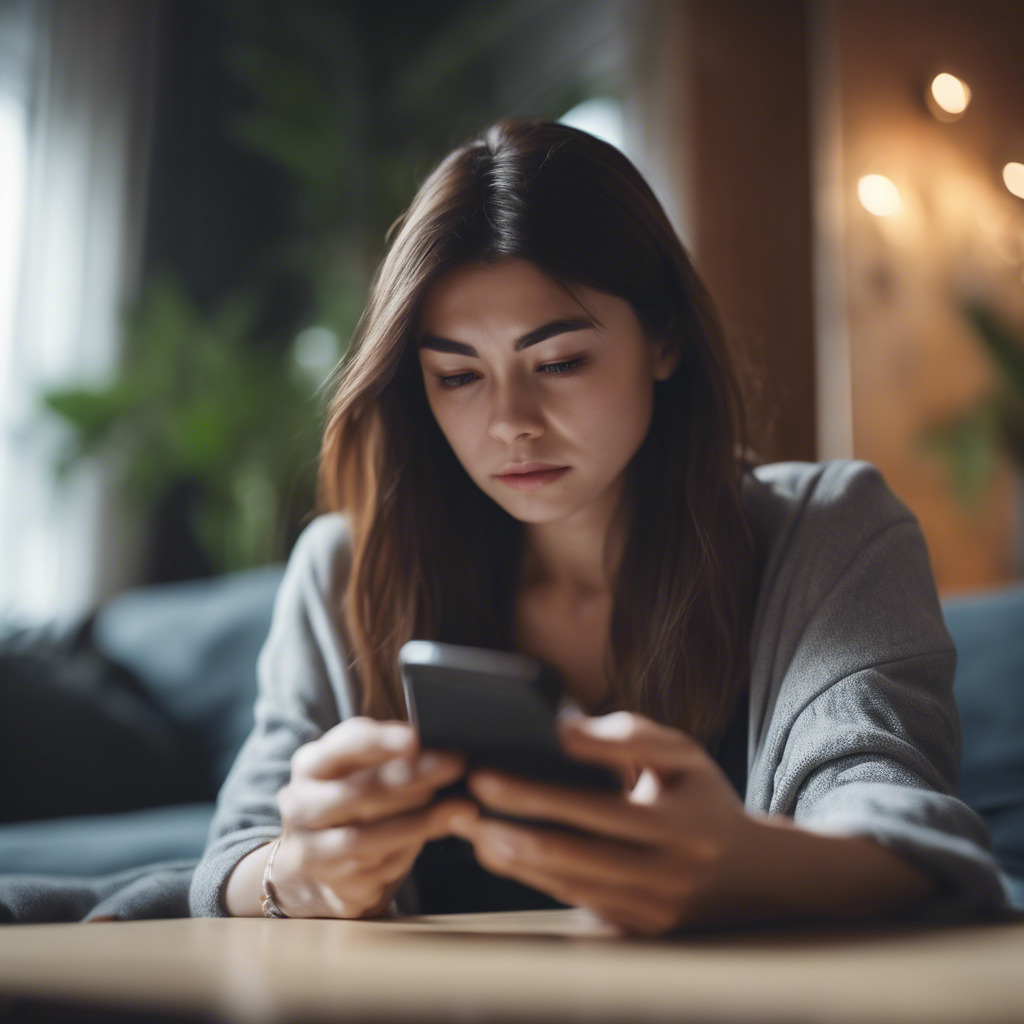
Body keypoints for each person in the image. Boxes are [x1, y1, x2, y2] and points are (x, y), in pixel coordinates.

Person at [189, 116, 1009, 935]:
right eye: (457, 375)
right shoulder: (347, 568)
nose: (510, 421)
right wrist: (296, 872)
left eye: (559, 363)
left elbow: (893, 818)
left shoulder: (831, 534)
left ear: (664, 338)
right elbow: (236, 854)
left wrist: (744, 865)